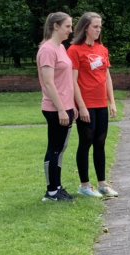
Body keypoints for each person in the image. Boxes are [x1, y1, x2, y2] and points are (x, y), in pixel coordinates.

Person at [68, 12, 119, 198]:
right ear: (85, 28)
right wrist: (81, 106)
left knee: (100, 142)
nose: (98, 30)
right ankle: (84, 186)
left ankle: (103, 184)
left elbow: (107, 77)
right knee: (86, 141)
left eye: (100, 26)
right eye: (95, 26)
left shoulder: (102, 49)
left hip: (101, 103)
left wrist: (112, 102)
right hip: (86, 103)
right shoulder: (74, 50)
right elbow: (73, 81)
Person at [37, 12, 80, 202]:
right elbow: (48, 83)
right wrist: (61, 109)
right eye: (67, 26)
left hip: (66, 107)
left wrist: (71, 105)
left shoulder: (61, 47)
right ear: (56, 26)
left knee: (61, 148)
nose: (71, 30)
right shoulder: (47, 50)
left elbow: (66, 80)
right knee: (54, 149)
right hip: (55, 109)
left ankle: (57, 187)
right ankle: (52, 191)